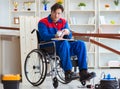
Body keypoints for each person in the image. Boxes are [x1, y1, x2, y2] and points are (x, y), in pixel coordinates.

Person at [38, 3, 96, 82]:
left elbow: (69, 36)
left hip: (63, 46)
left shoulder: (64, 22)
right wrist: (55, 35)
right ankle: (68, 72)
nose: (56, 15)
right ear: (51, 12)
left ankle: (83, 72)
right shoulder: (42, 22)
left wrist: (67, 32)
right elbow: (44, 36)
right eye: (55, 13)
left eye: (59, 13)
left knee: (81, 44)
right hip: (49, 46)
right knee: (64, 43)